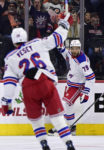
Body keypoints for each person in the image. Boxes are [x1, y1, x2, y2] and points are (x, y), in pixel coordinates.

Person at [1, 13, 76, 150]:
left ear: (13, 41)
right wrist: (65, 25)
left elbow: (9, 84)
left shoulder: (10, 58)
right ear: (26, 37)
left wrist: (6, 102)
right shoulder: (37, 42)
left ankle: (44, 145)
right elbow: (56, 38)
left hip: (28, 87)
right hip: (45, 81)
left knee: (36, 120)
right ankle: (69, 144)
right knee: (57, 118)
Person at [48, 39, 95, 135]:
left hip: (77, 86)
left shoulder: (82, 61)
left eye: (77, 49)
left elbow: (91, 78)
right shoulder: (71, 53)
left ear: (80, 49)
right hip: (71, 84)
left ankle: (62, 127)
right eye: (73, 48)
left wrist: (86, 92)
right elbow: (65, 53)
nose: (74, 50)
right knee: (68, 105)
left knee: (65, 104)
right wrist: (59, 44)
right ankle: (71, 127)